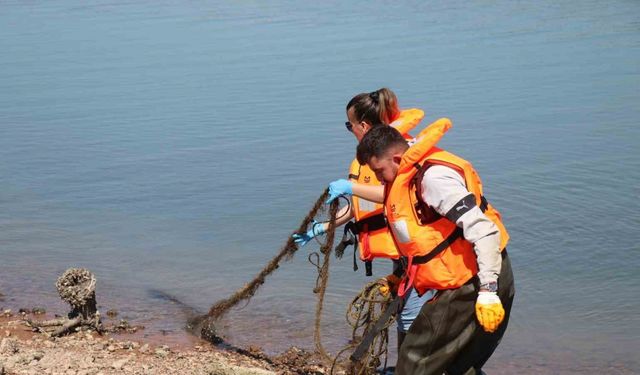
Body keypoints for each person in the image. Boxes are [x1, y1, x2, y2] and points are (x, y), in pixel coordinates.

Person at [354, 122, 515, 375]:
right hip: (466, 278)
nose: (378, 179)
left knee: (416, 362)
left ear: (397, 158)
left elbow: (484, 231)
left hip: (477, 279)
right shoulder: (405, 176)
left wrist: (488, 291)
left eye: (379, 171)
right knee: (458, 367)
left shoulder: (433, 179)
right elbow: (427, 243)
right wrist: (402, 277)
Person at [292, 88, 433, 357]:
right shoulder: (369, 160)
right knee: (406, 317)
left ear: (364, 126)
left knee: (412, 320)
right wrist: (321, 228)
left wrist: (350, 187)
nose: (350, 130)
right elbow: (364, 208)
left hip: (420, 256)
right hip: (402, 258)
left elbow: (392, 194)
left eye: (349, 125)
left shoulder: (394, 155)